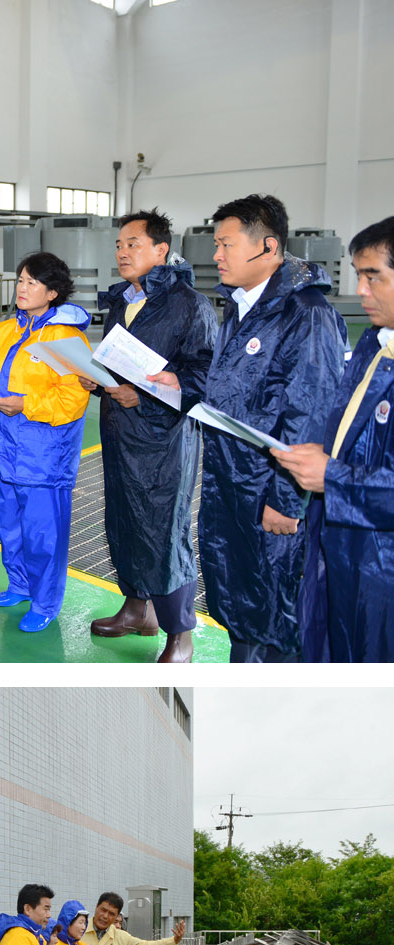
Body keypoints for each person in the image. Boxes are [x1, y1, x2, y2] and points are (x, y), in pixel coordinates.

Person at [154, 193, 346, 662]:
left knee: (276, 617)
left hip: (270, 494)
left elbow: (311, 413)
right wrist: (180, 387)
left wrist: (286, 501)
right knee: (243, 605)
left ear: (268, 246)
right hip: (231, 487)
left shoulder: (307, 314)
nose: (215, 255)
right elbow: (237, 395)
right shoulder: (241, 306)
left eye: (225, 244)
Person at [83, 210, 218, 663]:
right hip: (120, 429)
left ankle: (180, 633)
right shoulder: (124, 301)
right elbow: (119, 361)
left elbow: (203, 376)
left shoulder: (190, 305)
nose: (122, 251)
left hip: (164, 437)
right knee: (123, 517)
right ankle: (138, 609)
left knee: (164, 528)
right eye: (119, 245)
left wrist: (146, 393)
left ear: (161, 250)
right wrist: (96, 378)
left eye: (133, 244)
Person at [273, 215, 394, 662]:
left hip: (382, 569)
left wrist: (334, 477)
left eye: (373, 277)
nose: (360, 290)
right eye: (358, 275)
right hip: (343, 551)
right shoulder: (375, 347)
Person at [0, 254, 91, 632]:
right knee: (9, 524)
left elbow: (72, 401)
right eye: (20, 280)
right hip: (5, 448)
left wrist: (26, 404)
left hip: (45, 454)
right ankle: (20, 584)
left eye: (32, 282)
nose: (22, 288)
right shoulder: (4, 331)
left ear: (52, 292)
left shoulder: (67, 339)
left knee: (43, 534)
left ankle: (45, 601)